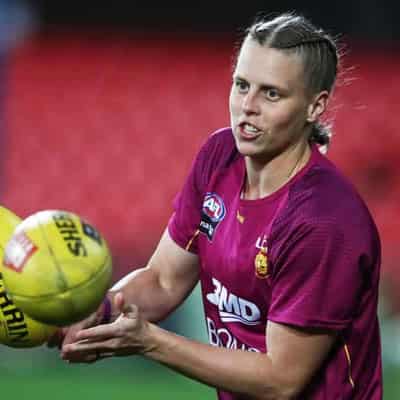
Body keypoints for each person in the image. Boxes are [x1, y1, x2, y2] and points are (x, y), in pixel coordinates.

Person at [58, 12, 382, 399]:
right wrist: (101, 313)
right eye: (241, 85)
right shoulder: (219, 156)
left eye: (271, 93)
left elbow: (280, 380)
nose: (248, 106)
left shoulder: (324, 221)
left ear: (315, 107)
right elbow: (163, 279)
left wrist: (150, 342)